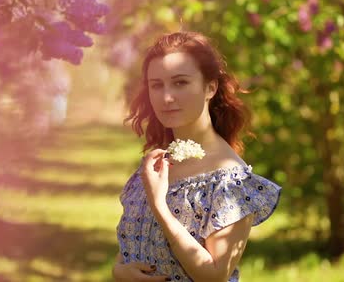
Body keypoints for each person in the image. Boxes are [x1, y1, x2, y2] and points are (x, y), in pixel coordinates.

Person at [112, 32, 281, 282]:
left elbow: (213, 276)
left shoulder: (229, 180)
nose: (167, 97)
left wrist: (160, 206)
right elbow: (129, 247)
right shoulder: (157, 164)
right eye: (157, 85)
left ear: (210, 87)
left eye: (180, 83)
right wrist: (120, 272)